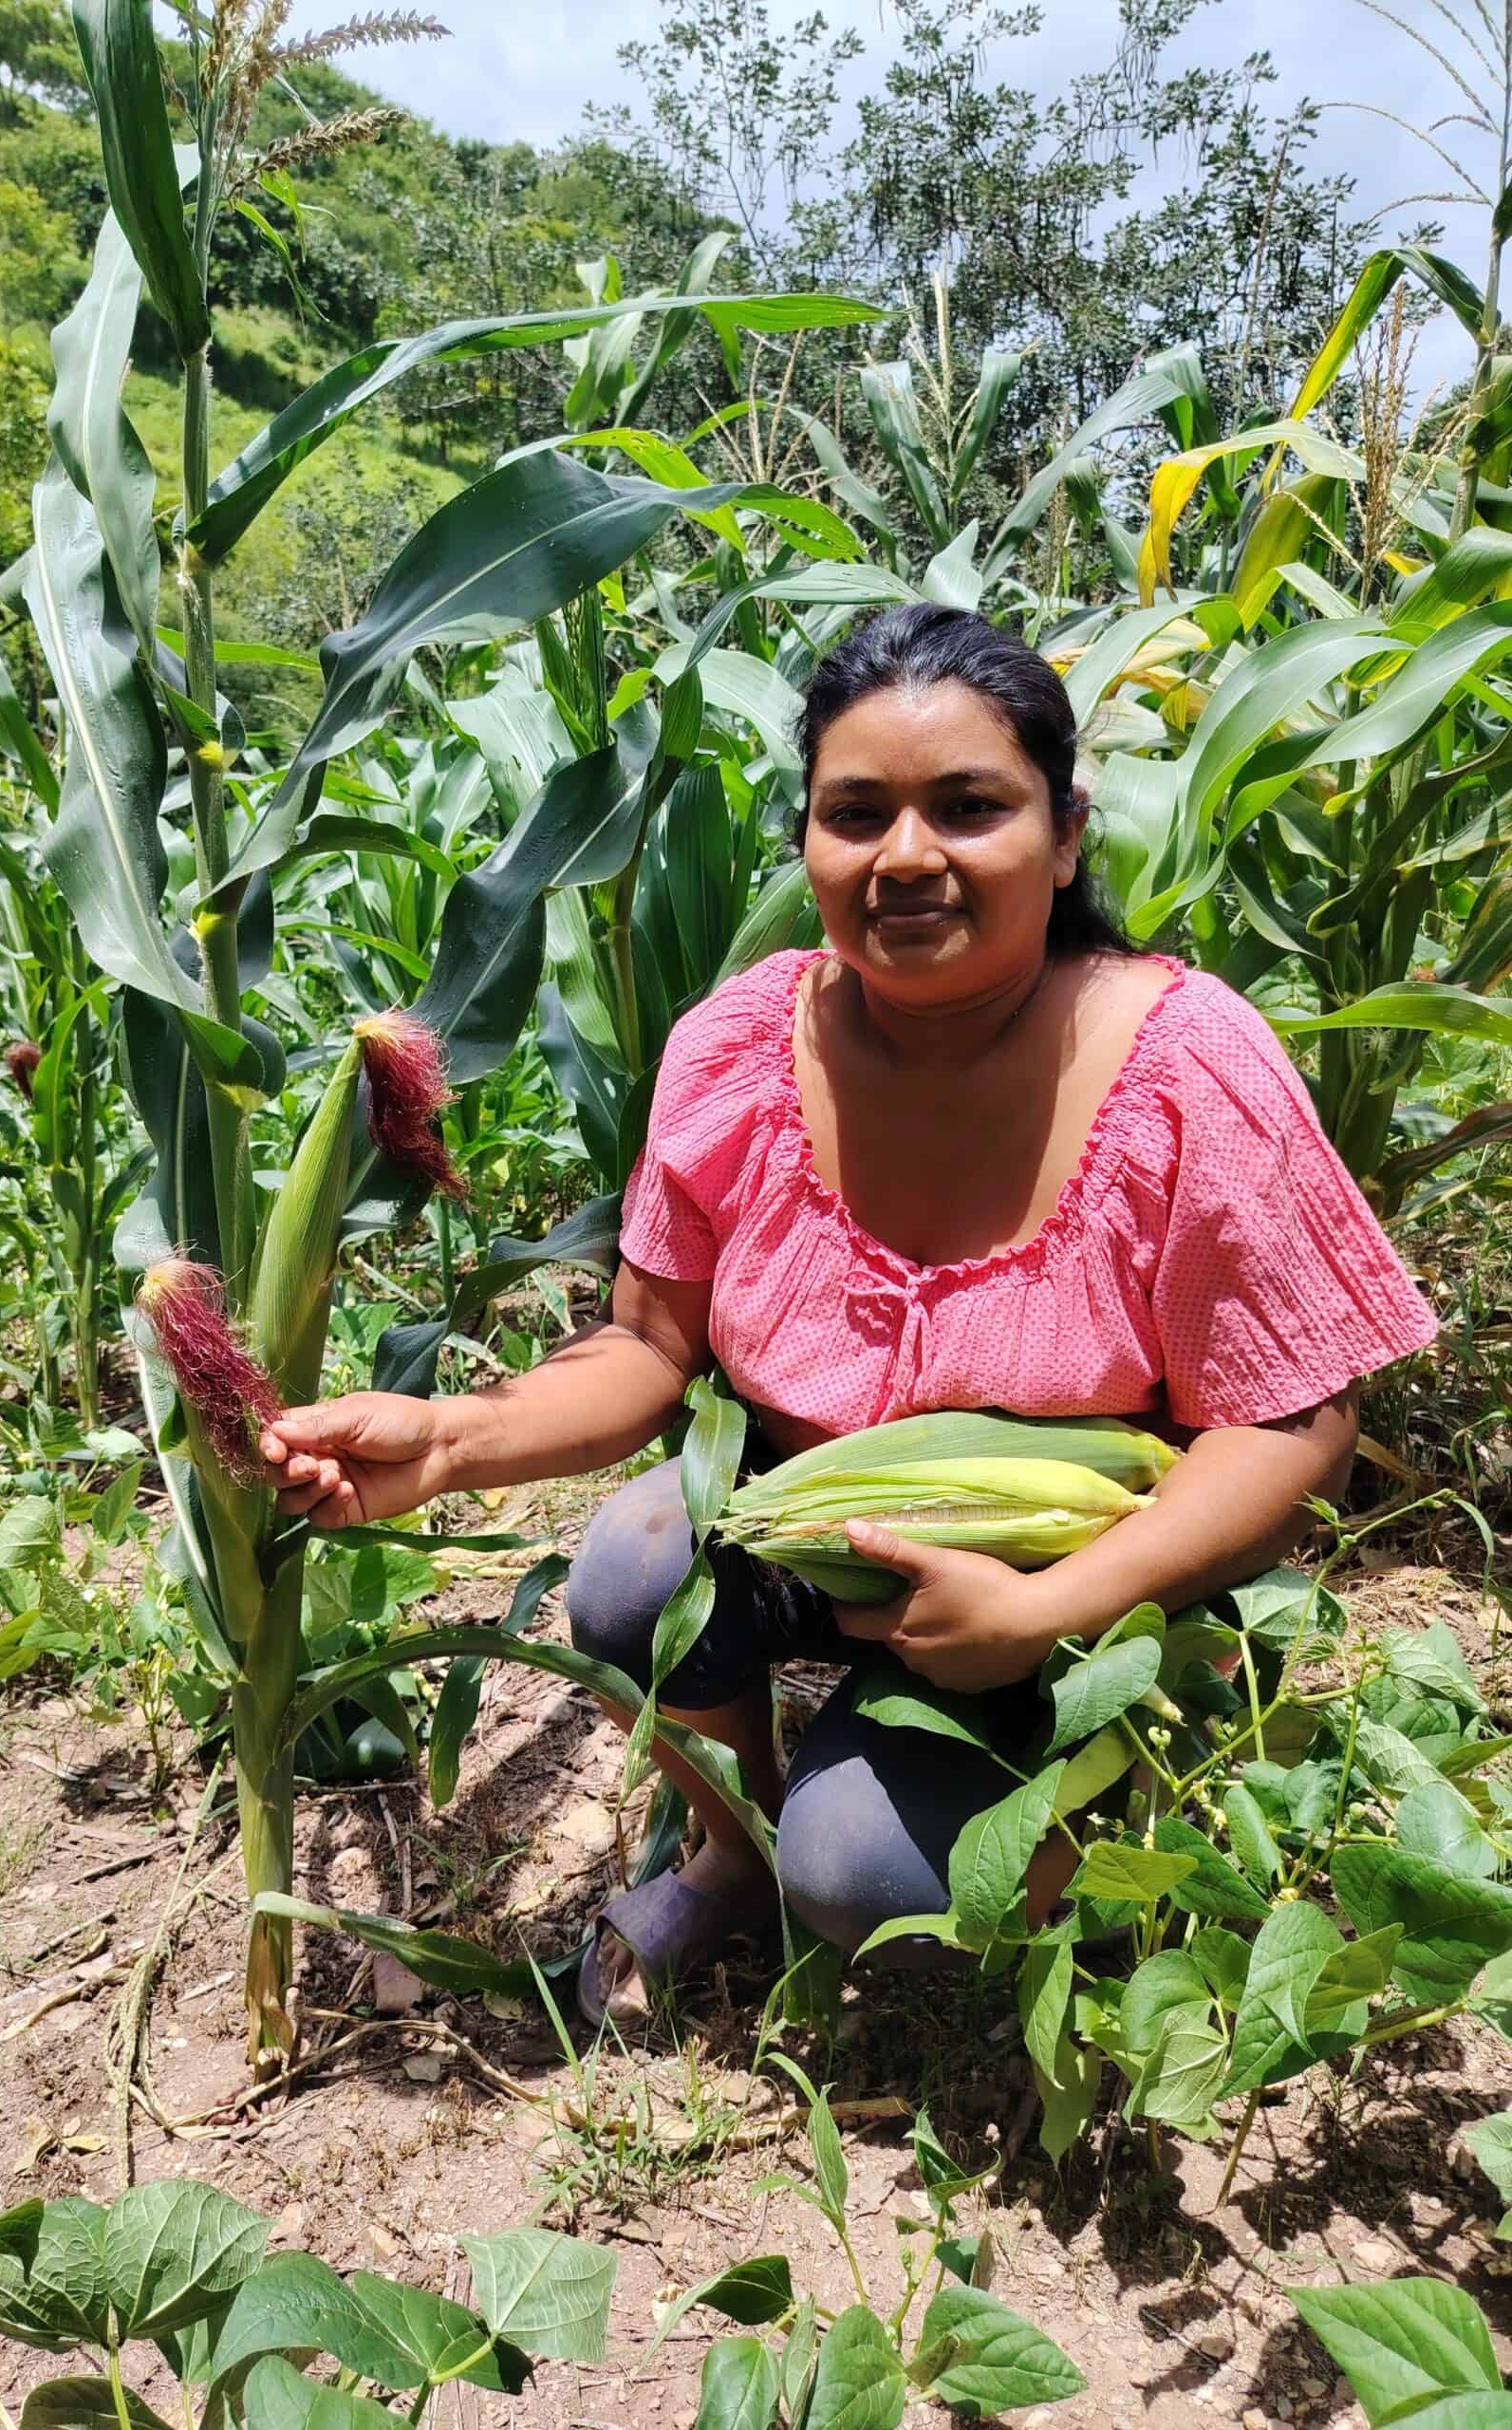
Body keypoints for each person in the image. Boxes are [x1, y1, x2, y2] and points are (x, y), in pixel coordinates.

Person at [259, 603, 1438, 2028]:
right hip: (825, 1518)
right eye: (857, 813)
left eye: (968, 808)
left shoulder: (1185, 1066)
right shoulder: (743, 1044)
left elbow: (1294, 1413)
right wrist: (446, 1441)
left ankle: (1105, 1825)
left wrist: (1040, 1611)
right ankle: (726, 1850)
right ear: (810, 840)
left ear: (1063, 838)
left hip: (1089, 1580)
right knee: (637, 1566)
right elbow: (650, 1347)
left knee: (859, 1870)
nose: (907, 858)